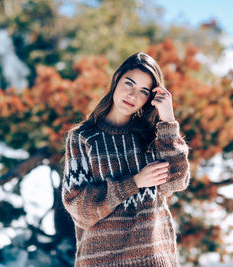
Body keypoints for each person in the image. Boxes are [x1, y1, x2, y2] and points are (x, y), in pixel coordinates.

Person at [62, 52, 190, 266]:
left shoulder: (153, 136)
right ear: (116, 80)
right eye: (129, 83)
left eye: (143, 91)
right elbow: (80, 210)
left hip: (153, 259)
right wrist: (134, 183)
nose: (132, 95)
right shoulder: (83, 138)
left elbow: (177, 181)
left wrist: (168, 119)